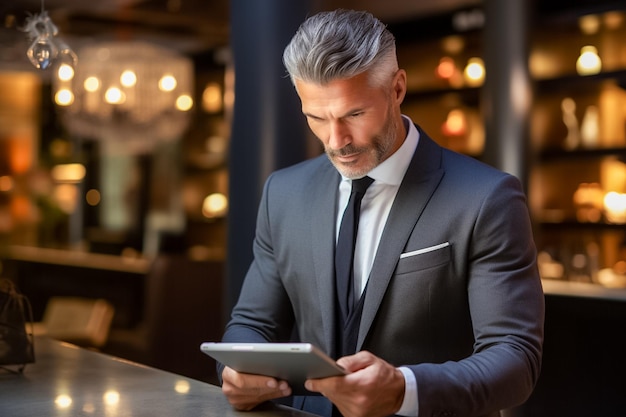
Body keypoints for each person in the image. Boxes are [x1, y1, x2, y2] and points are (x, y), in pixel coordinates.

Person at [218, 9, 544, 417]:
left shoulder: (486, 198)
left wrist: (403, 390)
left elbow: (515, 360)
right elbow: (253, 323)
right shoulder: (283, 193)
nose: (336, 141)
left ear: (397, 88)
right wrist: (236, 370)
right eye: (316, 118)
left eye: (354, 114)